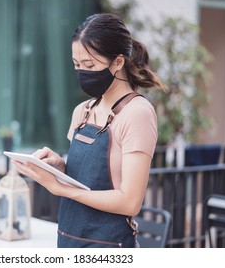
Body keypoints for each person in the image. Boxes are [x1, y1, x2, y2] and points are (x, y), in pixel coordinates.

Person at [12, 13, 164, 248]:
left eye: (90, 65)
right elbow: (85, 179)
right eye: (76, 64)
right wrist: (60, 167)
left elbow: (130, 201)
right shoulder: (82, 111)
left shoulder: (137, 113)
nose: (82, 72)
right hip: (68, 238)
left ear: (118, 62)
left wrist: (61, 188)